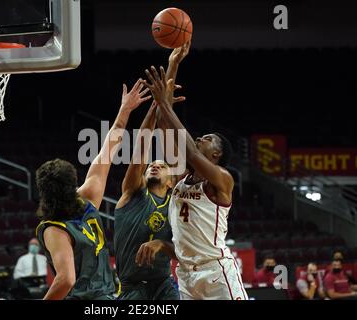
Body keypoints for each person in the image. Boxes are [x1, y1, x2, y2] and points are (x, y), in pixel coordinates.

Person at [35, 79, 151, 300]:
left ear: (43, 193)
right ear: (72, 183)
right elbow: (110, 146)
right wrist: (125, 109)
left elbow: (66, 280)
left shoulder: (53, 229)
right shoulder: (88, 198)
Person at [142, 65, 248, 300]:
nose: (200, 138)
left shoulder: (223, 180)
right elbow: (163, 126)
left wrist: (166, 104)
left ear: (216, 155)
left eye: (208, 139)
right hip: (186, 276)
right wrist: (173, 64)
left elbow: (191, 153)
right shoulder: (180, 177)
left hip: (217, 273)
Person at [113, 43, 189, 300]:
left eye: (163, 165)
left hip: (164, 285)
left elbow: (172, 132)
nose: (155, 164)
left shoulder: (176, 200)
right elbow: (144, 140)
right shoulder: (133, 191)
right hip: (132, 288)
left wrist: (175, 65)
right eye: (151, 165)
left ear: (171, 181)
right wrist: (160, 100)